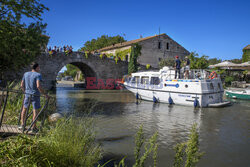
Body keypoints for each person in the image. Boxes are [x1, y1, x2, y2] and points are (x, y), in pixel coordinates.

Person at [19, 63, 49, 133]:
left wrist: (25, 92)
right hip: (35, 95)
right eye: (39, 67)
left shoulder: (25, 74)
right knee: (35, 111)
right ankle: (33, 127)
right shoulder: (38, 75)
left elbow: (21, 85)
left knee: (24, 109)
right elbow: (38, 86)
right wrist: (45, 94)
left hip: (27, 94)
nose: (39, 68)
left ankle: (22, 125)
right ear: (37, 68)